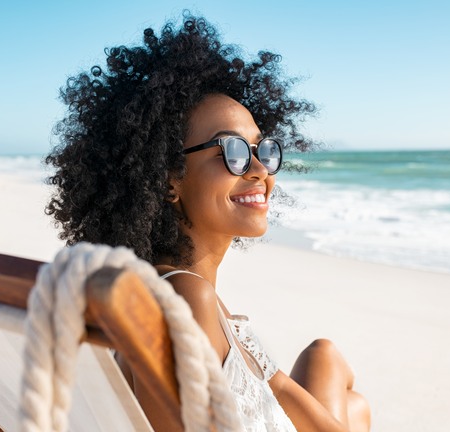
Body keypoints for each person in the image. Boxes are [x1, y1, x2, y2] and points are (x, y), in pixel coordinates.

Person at [44, 12, 371, 432]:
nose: (258, 169)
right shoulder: (188, 296)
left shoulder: (183, 292)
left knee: (328, 361)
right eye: (232, 151)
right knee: (348, 393)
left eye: (263, 149)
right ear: (169, 180)